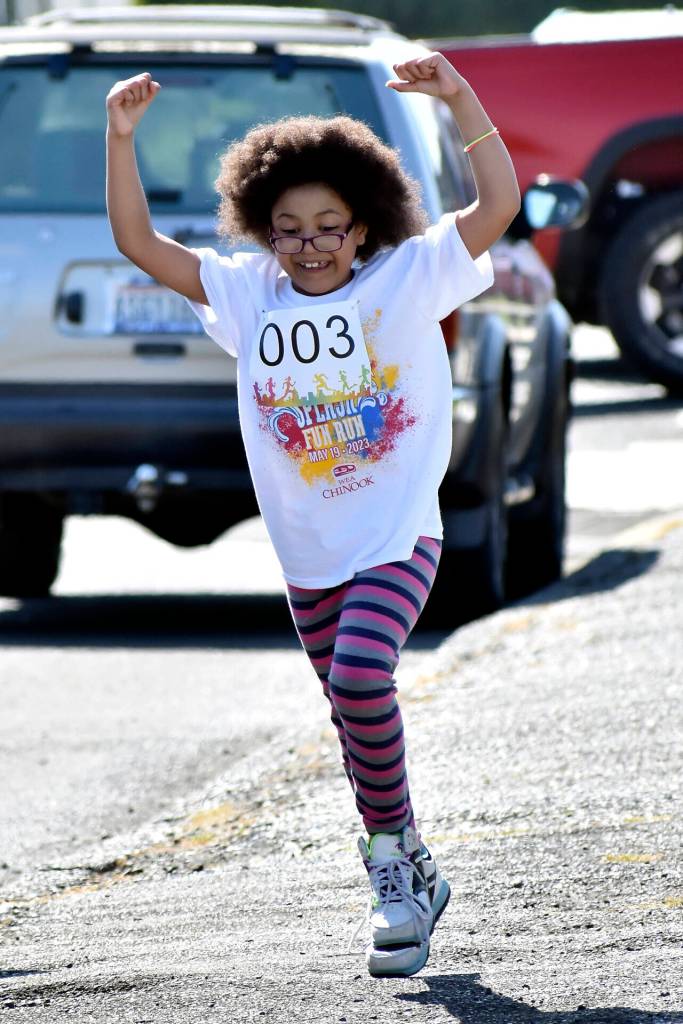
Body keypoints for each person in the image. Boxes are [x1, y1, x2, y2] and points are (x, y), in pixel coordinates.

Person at [105, 52, 520, 978]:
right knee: (349, 710)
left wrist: (460, 100)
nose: (309, 245)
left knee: (364, 674)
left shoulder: (407, 278)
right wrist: (120, 137)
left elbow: (495, 207)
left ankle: (388, 876)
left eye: (329, 227)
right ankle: (406, 856)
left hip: (395, 534)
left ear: (362, 226)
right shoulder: (247, 295)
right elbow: (139, 245)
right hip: (308, 552)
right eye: (288, 229)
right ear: (263, 231)